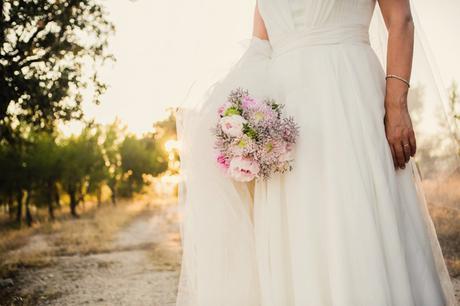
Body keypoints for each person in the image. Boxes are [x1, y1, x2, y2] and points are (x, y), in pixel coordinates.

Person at [176, 0, 457, 305]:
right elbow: (259, 49)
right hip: (284, 117)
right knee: (297, 226)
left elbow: (401, 20)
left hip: (349, 94)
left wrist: (396, 104)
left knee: (355, 210)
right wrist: (239, 123)